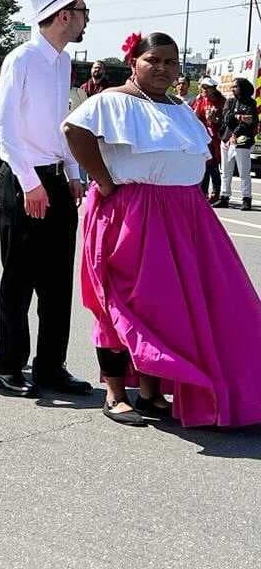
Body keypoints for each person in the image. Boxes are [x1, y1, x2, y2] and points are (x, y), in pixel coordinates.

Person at [64, 31, 261, 427]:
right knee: (121, 301)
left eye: (171, 62)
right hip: (134, 212)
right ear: (134, 61)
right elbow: (74, 131)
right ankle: (117, 393)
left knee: (169, 305)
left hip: (187, 215)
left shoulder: (179, 106)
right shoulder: (112, 100)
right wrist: (102, 180)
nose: (163, 69)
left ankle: (153, 393)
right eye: (153, 60)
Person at [0, 0, 92, 398]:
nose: (86, 20)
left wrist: (70, 172)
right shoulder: (23, 58)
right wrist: (31, 182)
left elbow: (57, 125)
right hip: (23, 179)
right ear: (63, 15)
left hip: (53, 178)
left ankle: (51, 365)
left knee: (56, 281)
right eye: (83, 12)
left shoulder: (63, 61)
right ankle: (9, 364)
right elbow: (3, 125)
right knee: (19, 277)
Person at [216, 77, 258, 211]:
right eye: (232, 86)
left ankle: (246, 199)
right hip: (227, 140)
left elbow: (250, 121)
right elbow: (226, 117)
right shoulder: (230, 101)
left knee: (243, 172)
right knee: (225, 171)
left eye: (236, 86)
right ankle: (224, 196)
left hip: (242, 142)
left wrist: (236, 133)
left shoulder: (250, 103)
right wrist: (239, 116)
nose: (232, 89)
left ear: (243, 88)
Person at [193, 76, 226, 204]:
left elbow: (226, 121)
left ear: (213, 89)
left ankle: (216, 192)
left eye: (206, 87)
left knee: (213, 167)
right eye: (202, 87)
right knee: (204, 166)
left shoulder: (221, 102)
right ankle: (203, 192)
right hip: (204, 138)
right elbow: (195, 117)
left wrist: (215, 120)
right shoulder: (201, 100)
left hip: (216, 139)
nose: (203, 89)